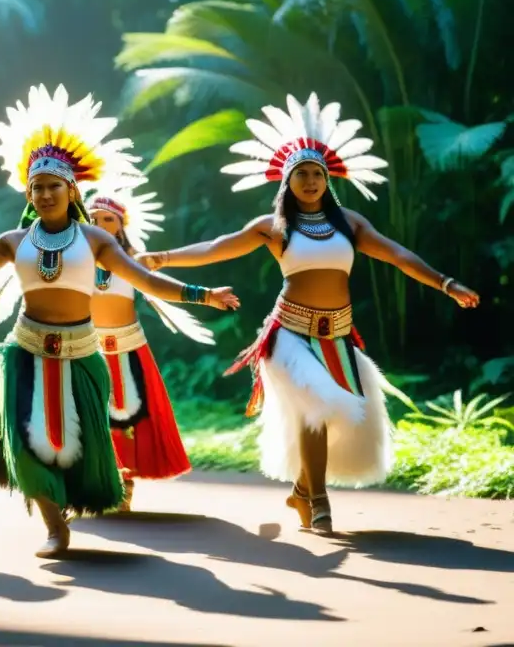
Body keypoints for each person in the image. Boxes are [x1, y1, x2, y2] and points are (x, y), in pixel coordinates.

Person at [0, 84, 239, 556]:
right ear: (29, 192)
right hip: (25, 351)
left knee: (83, 447)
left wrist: (204, 294)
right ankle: (55, 528)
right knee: (24, 441)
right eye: (37, 187)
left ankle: (74, 505)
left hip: (81, 353)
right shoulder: (14, 241)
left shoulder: (96, 239)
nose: (45, 193)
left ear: (72, 189)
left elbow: (147, 281)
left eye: (54, 185)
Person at [138, 93, 479, 534]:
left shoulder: (350, 223)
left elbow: (396, 254)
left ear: (327, 179)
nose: (311, 180)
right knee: (317, 409)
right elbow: (216, 247)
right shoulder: (274, 227)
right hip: (289, 336)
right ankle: (319, 503)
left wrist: (446, 284)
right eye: (302, 174)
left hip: (338, 336)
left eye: (317, 173)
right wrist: (163, 257)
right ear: (287, 181)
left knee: (350, 421)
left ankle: (302, 490)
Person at [84, 178, 216, 511]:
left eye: (108, 219)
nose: (100, 225)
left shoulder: (134, 260)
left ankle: (124, 485)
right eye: (94, 219)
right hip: (88, 349)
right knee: (90, 418)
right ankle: (96, 484)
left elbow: (158, 285)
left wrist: (205, 296)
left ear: (121, 225)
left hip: (129, 349)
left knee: (130, 420)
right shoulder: (76, 260)